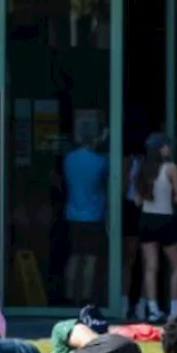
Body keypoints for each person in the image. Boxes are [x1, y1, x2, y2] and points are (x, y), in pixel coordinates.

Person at [133, 133, 177, 322]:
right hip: (166, 219)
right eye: (166, 146)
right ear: (160, 149)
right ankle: (174, 308)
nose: (168, 149)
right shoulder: (171, 168)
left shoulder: (142, 170)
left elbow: (138, 201)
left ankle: (152, 308)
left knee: (150, 266)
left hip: (147, 219)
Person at [62, 125, 109, 304]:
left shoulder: (69, 159)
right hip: (94, 215)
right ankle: (86, 298)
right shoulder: (100, 161)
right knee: (90, 259)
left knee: (74, 257)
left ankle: (69, 296)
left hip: (72, 214)